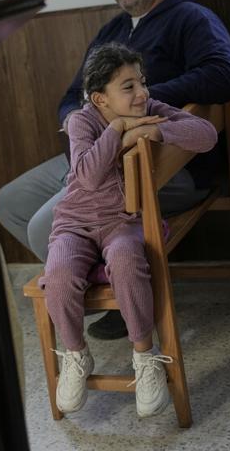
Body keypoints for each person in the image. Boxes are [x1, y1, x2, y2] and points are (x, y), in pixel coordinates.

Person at [0, 0, 230, 339]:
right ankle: (105, 278)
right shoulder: (112, 32)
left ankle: (118, 292)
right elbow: (73, 95)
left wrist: (140, 101)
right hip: (95, 154)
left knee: (42, 228)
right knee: (10, 202)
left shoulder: (191, 18)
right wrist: (81, 122)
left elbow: (224, 76)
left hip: (159, 164)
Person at [42, 43, 216, 418]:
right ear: (100, 99)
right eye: (129, 87)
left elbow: (206, 135)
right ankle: (75, 354)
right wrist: (118, 130)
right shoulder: (82, 121)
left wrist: (157, 132)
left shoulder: (148, 108)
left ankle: (145, 355)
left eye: (142, 82)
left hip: (123, 222)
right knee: (58, 276)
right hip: (74, 223)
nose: (142, 93)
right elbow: (88, 176)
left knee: (125, 260)